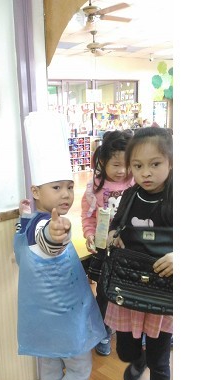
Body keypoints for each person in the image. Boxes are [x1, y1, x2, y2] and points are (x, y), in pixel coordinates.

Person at [15, 111, 106, 380]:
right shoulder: (48, 227)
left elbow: (27, 242)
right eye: (56, 187)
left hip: (39, 319)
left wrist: (25, 218)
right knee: (79, 367)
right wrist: (58, 236)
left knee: (51, 365)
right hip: (64, 320)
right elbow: (49, 242)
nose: (66, 194)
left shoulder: (29, 222)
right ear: (36, 191)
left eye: (69, 186)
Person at [104, 127, 173, 380]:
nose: (146, 173)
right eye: (138, 165)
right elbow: (116, 227)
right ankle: (139, 357)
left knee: (160, 360)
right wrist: (112, 236)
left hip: (163, 294)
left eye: (155, 164)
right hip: (129, 288)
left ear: (171, 162)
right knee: (125, 352)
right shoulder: (131, 195)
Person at [81, 130, 134, 356]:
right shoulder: (95, 188)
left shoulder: (136, 183)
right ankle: (103, 331)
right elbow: (87, 216)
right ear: (103, 161)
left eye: (127, 164)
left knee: (129, 291)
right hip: (105, 249)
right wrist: (89, 235)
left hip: (130, 249)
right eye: (116, 165)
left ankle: (131, 331)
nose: (122, 170)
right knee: (104, 292)